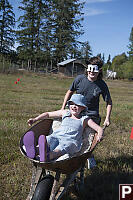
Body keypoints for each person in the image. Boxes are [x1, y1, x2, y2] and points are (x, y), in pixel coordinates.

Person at [61, 56, 112, 167]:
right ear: (87, 69)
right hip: (77, 113)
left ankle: (88, 156)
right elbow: (69, 92)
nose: (91, 72)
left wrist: (107, 118)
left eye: (95, 69)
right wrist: (63, 107)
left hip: (92, 116)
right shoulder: (79, 79)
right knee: (71, 134)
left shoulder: (102, 85)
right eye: (90, 68)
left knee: (88, 140)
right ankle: (66, 155)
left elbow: (109, 102)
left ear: (99, 71)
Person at [23, 94, 103, 162]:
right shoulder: (65, 113)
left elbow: (99, 128)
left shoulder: (84, 119)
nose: (74, 106)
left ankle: (44, 157)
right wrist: (35, 119)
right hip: (57, 136)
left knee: (59, 150)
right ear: (69, 105)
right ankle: (33, 151)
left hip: (71, 141)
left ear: (83, 108)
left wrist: (99, 135)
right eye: (72, 104)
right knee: (49, 139)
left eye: (77, 105)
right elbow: (48, 114)